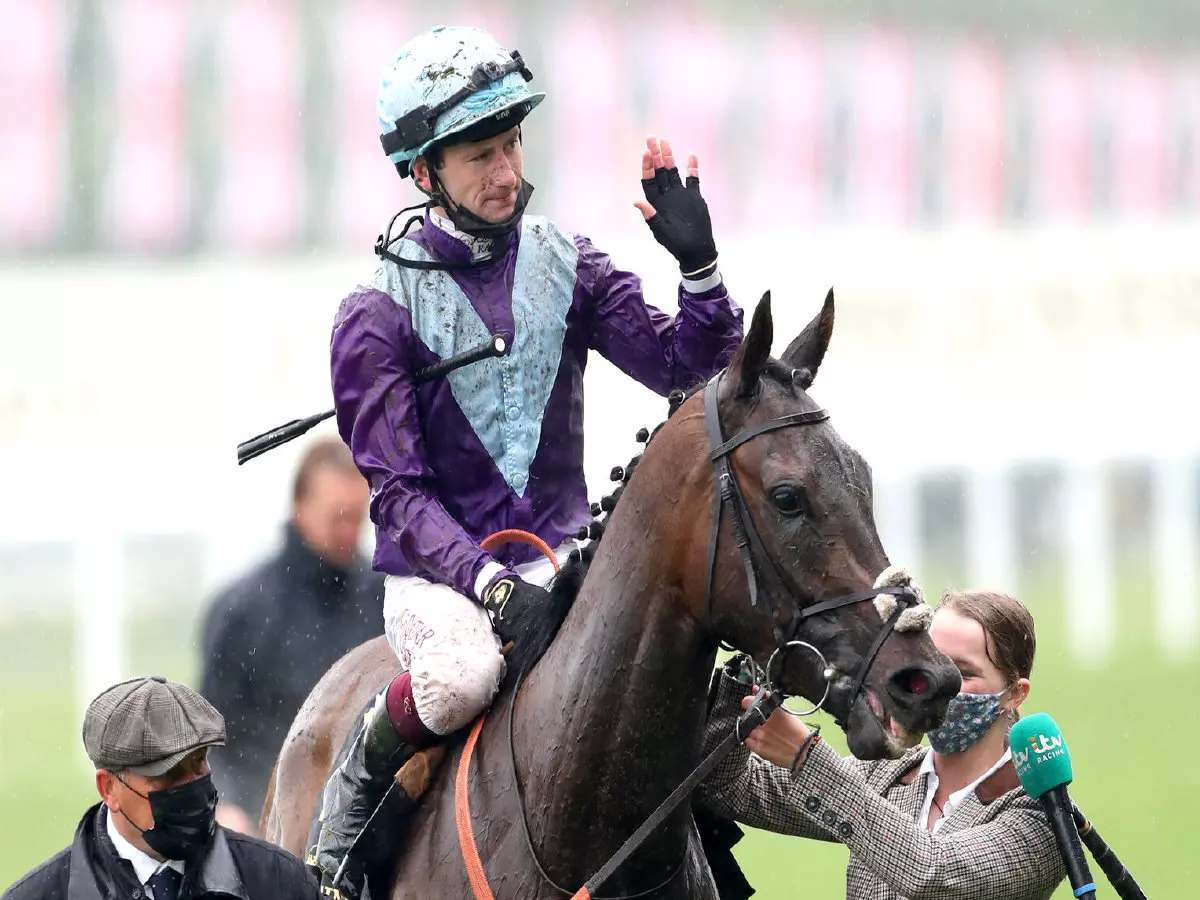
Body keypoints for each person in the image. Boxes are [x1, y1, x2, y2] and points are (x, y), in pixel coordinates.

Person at [312, 23, 744, 900]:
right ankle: (352, 806)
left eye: (511, 145)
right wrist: (487, 583)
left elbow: (686, 371)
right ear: (424, 171)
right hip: (440, 585)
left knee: (652, 672)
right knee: (465, 674)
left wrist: (698, 270)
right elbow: (398, 502)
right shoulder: (372, 314)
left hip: (561, 556)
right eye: (480, 156)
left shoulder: (568, 263)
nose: (507, 172)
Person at [698, 589, 1068, 900]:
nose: (942, 685)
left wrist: (806, 756)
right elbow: (734, 791)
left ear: (1014, 695)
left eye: (964, 673)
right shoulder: (888, 770)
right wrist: (747, 671)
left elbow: (929, 872)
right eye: (934, 665)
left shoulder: (1044, 819)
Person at [200, 437, 385, 834]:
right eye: (337, 518)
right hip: (262, 825)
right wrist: (227, 806)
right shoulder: (242, 610)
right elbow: (208, 736)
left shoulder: (387, 600)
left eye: (357, 519)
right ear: (300, 508)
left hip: (364, 825)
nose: (349, 533)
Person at [1, 675, 317, 900]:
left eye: (199, 762)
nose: (193, 783)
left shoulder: (281, 881)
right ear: (108, 788)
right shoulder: (37, 895)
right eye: (169, 773)